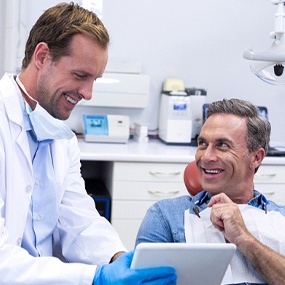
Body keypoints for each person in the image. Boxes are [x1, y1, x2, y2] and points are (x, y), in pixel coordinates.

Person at [0, 2, 176, 285]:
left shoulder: (59, 135)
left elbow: (78, 218)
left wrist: (120, 260)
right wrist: (95, 277)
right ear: (42, 56)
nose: (88, 93)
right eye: (81, 76)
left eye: (94, 79)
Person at [135, 98, 285, 284]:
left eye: (222, 145)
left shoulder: (280, 217)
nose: (206, 156)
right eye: (202, 144)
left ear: (256, 157)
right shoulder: (166, 216)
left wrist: (244, 238)